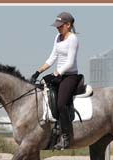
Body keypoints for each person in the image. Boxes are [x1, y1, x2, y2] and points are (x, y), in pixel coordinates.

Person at [31, 12, 79, 150]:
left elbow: (70, 62)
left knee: (61, 103)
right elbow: (52, 58)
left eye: (60, 26)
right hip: (59, 75)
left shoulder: (73, 39)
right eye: (57, 26)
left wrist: (56, 73)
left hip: (70, 76)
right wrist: (38, 72)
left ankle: (65, 137)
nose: (57, 28)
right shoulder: (58, 37)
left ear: (68, 25)